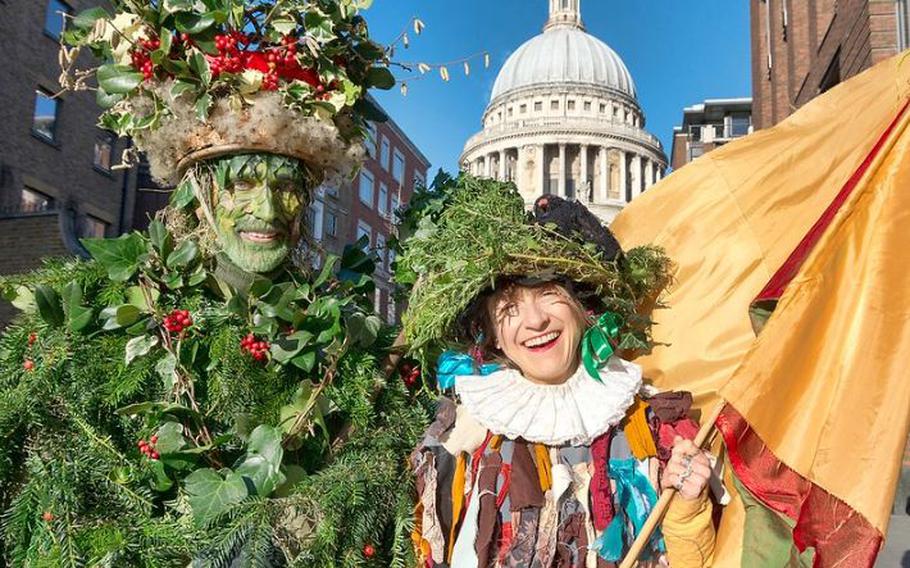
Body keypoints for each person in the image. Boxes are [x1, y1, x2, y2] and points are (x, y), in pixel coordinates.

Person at [0, 2, 425, 565]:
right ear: (199, 193)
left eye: (287, 186)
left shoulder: (345, 346)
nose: (268, 208)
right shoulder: (107, 324)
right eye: (243, 182)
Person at [399, 175, 717, 567]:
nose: (535, 321)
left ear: (584, 310)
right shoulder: (459, 437)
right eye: (509, 305)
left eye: (549, 293)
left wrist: (687, 507)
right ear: (492, 333)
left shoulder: (649, 427)